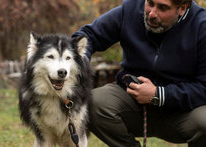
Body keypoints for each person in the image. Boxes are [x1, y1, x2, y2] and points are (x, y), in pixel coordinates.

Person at [72, 0, 206, 146]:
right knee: (91, 105)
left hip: (182, 112)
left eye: (162, 8)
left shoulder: (202, 26)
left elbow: (204, 88)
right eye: (150, 3)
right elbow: (88, 36)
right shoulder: (130, 8)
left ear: (182, 8)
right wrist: (79, 62)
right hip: (131, 100)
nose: (152, 13)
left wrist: (159, 95)